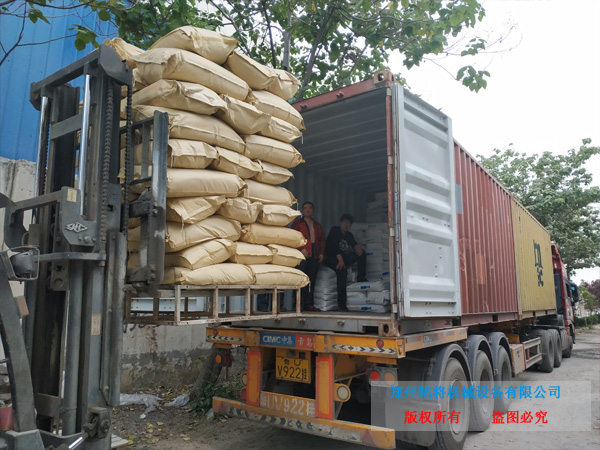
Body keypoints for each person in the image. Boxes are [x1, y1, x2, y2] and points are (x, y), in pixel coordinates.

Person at [324, 213, 367, 312]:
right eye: (344, 222)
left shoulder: (349, 235)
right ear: (340, 222)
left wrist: (357, 246)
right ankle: (341, 304)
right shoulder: (335, 230)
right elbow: (334, 247)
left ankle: (361, 278)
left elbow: (354, 244)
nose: (346, 225)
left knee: (361, 253)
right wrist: (340, 260)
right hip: (331, 258)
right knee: (342, 272)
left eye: (349, 223)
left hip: (342, 258)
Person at [291, 201, 326, 312]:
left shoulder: (317, 225)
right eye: (305, 208)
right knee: (299, 279)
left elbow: (322, 240)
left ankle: (309, 304)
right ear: (302, 210)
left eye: (310, 208)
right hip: (302, 254)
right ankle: (297, 304)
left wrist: (322, 253)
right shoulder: (297, 223)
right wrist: (301, 249)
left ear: (313, 210)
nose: (307, 210)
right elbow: (292, 238)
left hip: (314, 253)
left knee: (311, 280)